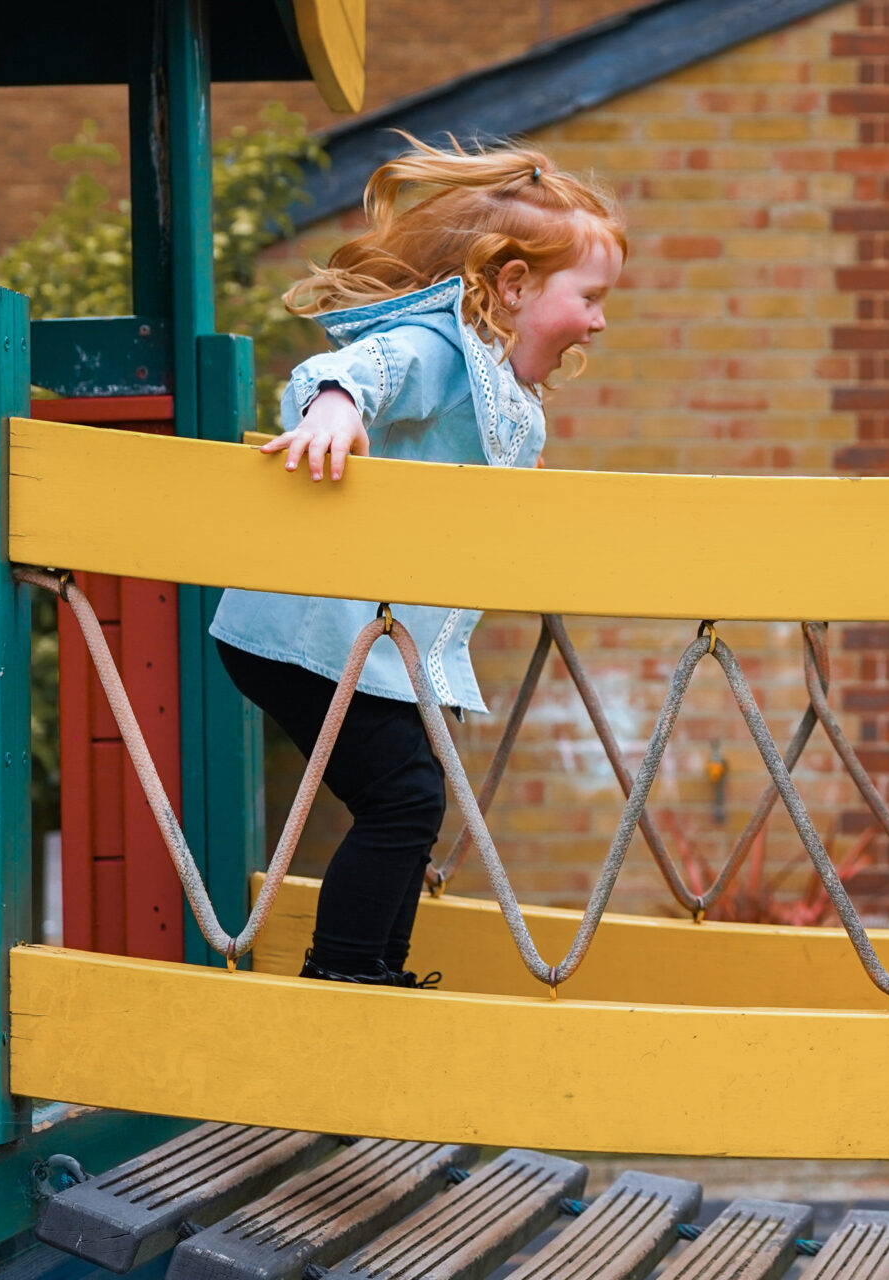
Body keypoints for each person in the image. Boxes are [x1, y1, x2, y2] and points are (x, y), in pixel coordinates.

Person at [208, 135, 626, 987]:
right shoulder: (442, 350)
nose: (600, 320)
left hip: (366, 644)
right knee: (405, 798)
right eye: (589, 296)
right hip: (313, 634)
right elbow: (363, 367)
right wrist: (332, 408)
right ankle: (350, 977)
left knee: (410, 798)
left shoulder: (504, 389)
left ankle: (373, 972)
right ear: (513, 288)